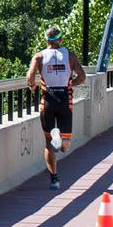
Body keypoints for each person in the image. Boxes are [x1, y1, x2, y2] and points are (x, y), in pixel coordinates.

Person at [24, 26, 86, 191]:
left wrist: (32, 86)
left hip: (48, 101)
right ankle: (59, 142)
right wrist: (71, 83)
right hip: (65, 100)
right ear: (61, 39)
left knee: (49, 144)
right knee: (64, 147)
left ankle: (54, 179)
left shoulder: (39, 56)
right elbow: (82, 77)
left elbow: (30, 77)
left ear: (46, 40)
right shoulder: (69, 55)